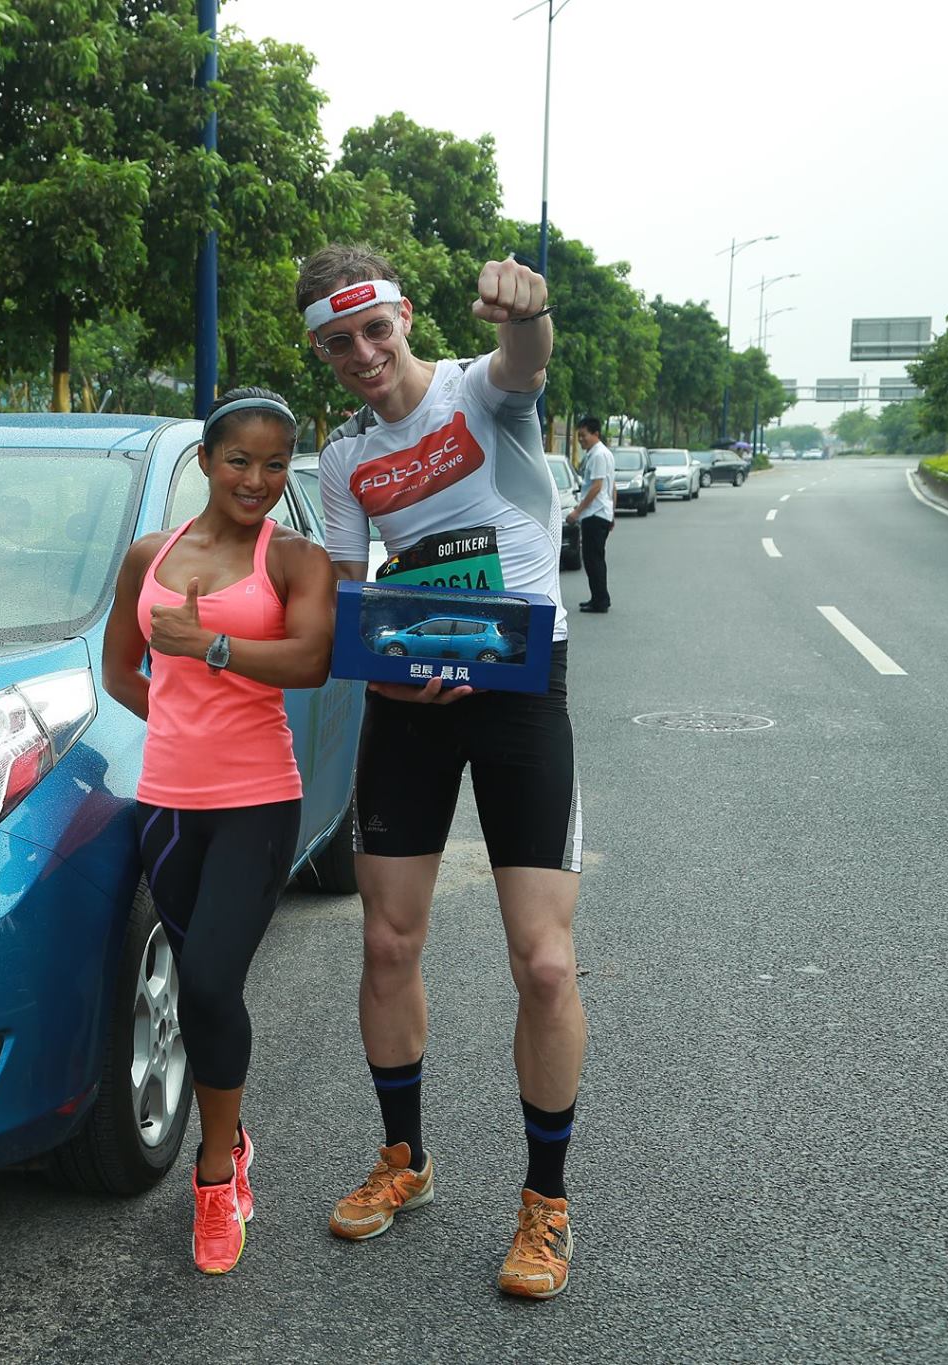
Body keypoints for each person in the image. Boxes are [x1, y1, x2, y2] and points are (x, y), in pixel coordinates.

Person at [299, 245, 586, 1300]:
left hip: (519, 692)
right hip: (409, 699)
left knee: (543, 963)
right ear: (324, 354)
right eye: (339, 343)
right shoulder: (343, 458)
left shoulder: (479, 390)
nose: (363, 354)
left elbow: (527, 358)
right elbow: (347, 599)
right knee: (386, 940)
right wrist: (381, 668)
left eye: (374, 329)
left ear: (406, 317)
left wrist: (528, 308)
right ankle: (403, 1160)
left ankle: (545, 1203)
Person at [101, 386, 335, 1276]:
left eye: (276, 464)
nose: (257, 479)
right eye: (239, 460)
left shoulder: (296, 559)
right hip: (167, 804)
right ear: (204, 461)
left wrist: (211, 648)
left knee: (206, 979)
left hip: (257, 801)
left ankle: (213, 1173)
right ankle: (232, 1139)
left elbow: (310, 660)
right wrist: (176, 721)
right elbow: (121, 669)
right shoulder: (149, 558)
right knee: (202, 996)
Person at [569, 418, 615, 613]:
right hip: (602, 512)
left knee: (593, 559)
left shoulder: (598, 455)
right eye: (579, 436)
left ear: (596, 434)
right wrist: (612, 513)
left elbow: (597, 487)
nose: (581, 439)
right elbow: (612, 487)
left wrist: (577, 511)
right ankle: (598, 597)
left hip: (595, 514)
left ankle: (600, 600)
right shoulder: (604, 454)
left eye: (583, 435)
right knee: (595, 558)